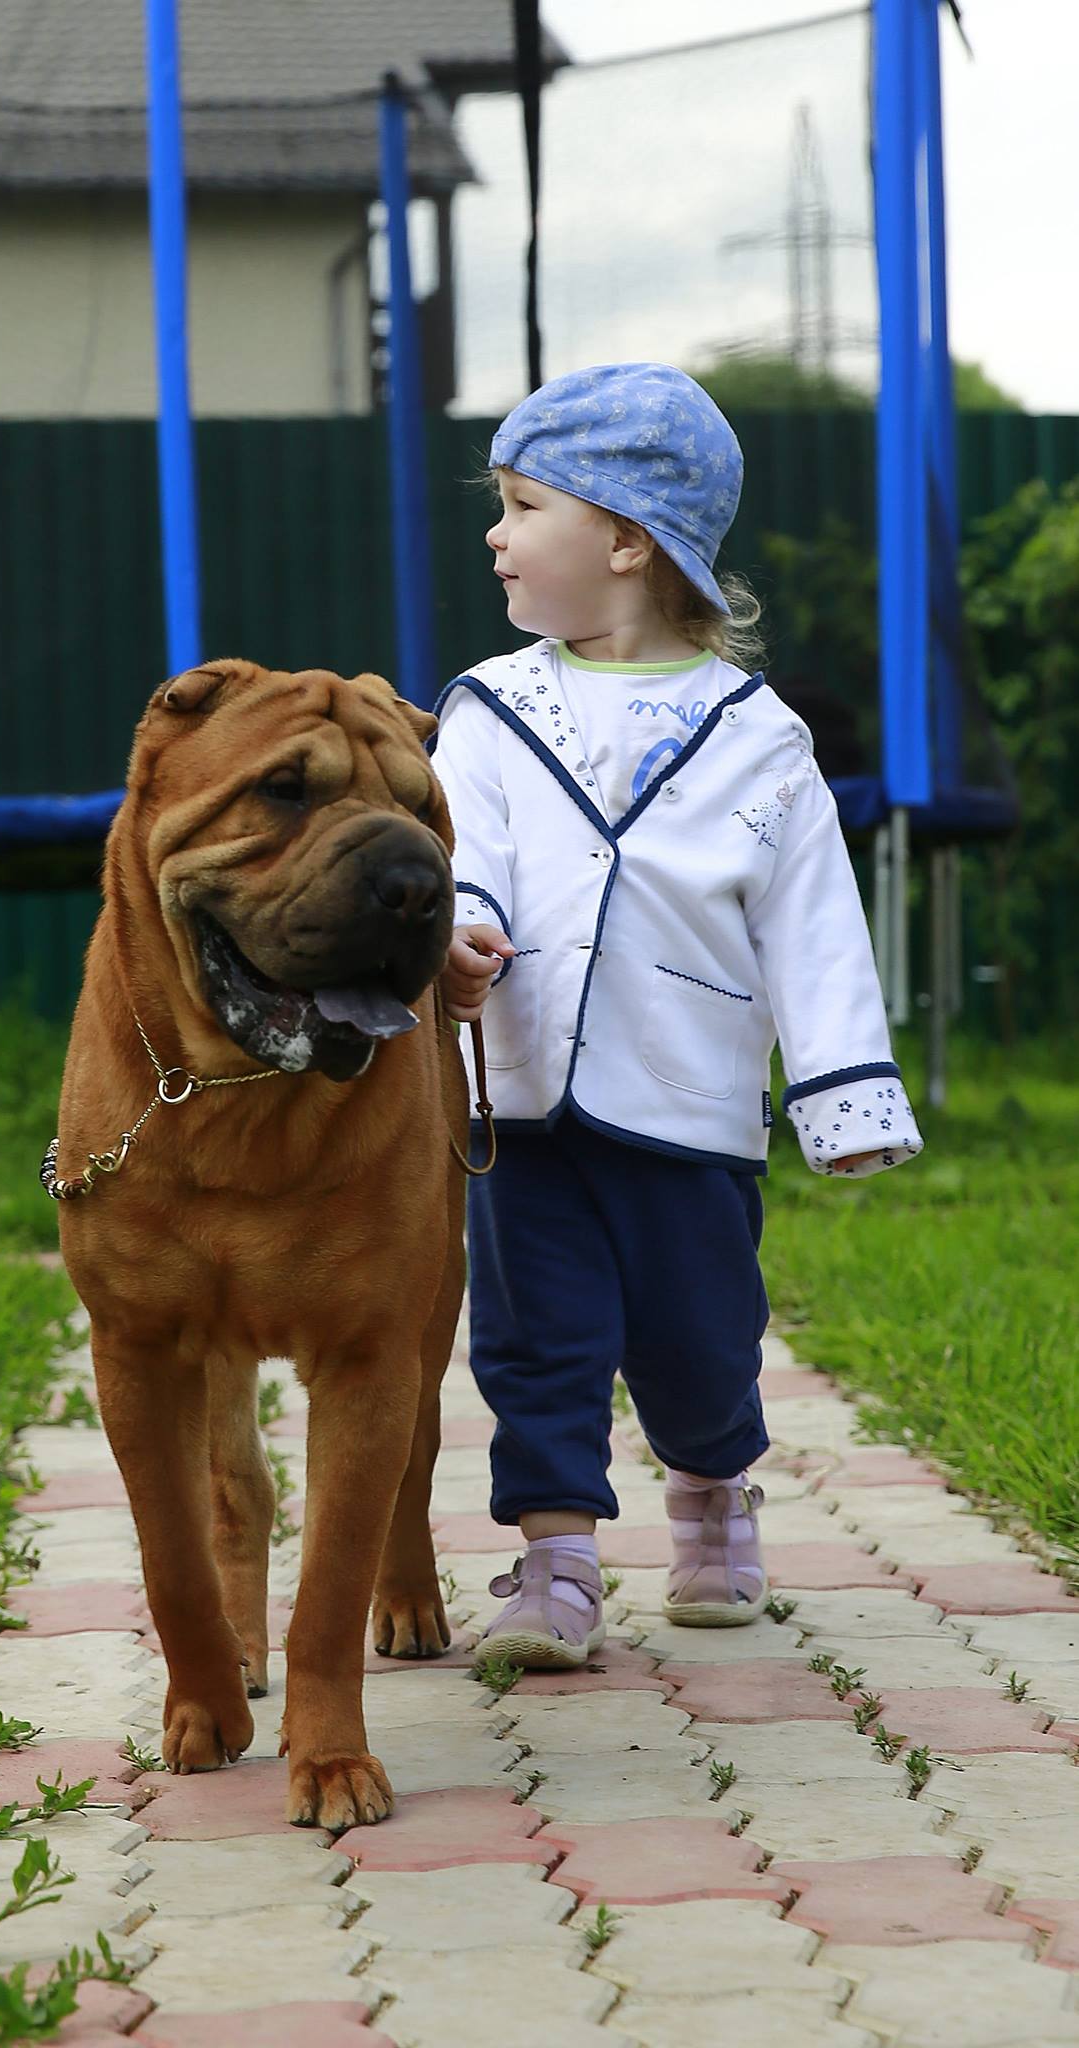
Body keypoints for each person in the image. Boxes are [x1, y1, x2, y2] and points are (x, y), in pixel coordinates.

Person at [432, 363, 922, 1669]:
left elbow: (812, 926)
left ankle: (711, 1496)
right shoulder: (488, 710)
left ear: (626, 538)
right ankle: (555, 1566)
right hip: (523, 1100)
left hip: (687, 1100)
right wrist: (454, 937)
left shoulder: (758, 737)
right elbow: (464, 851)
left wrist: (843, 1096)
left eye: (523, 505)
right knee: (532, 1347)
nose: (496, 534)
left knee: (700, 1347)